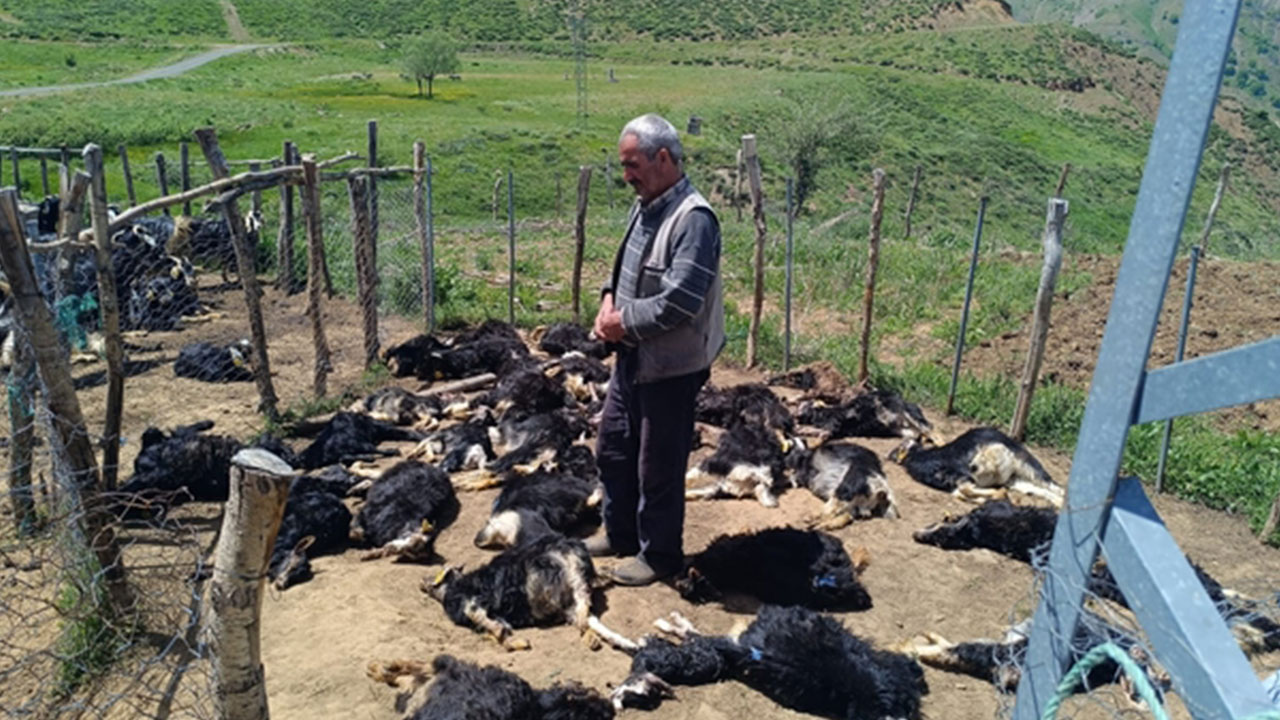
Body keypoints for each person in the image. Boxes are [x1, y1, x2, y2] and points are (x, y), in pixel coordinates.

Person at [588, 113, 724, 586]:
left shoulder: (694, 219)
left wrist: (621, 322)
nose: (626, 175)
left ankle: (661, 554)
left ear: (662, 158)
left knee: (658, 466)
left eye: (632, 165)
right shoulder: (646, 205)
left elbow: (681, 300)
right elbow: (623, 268)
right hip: (633, 357)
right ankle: (620, 533)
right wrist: (608, 300)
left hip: (671, 367)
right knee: (613, 448)